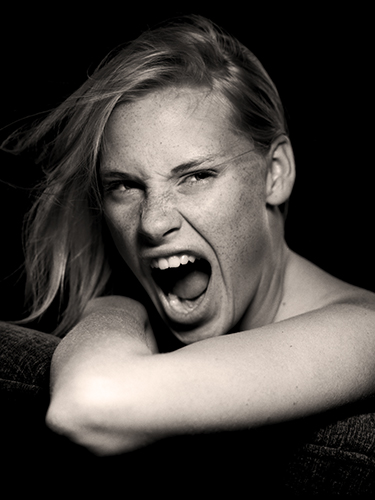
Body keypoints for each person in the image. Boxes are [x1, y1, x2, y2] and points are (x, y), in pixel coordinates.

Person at [1, 15, 375, 493]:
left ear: (275, 174)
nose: (154, 222)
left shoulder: (363, 331)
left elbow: (90, 402)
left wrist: (113, 308)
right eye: (124, 186)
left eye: (195, 176)